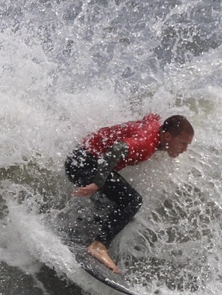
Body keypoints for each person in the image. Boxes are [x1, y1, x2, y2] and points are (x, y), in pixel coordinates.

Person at [64, 114, 194, 273]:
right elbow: (117, 149)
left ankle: (78, 238)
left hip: (81, 156)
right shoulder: (146, 143)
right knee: (132, 201)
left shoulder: (155, 128)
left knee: (113, 209)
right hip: (83, 163)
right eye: (182, 143)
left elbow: (151, 117)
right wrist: (97, 183)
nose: (184, 149)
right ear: (167, 136)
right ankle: (98, 246)